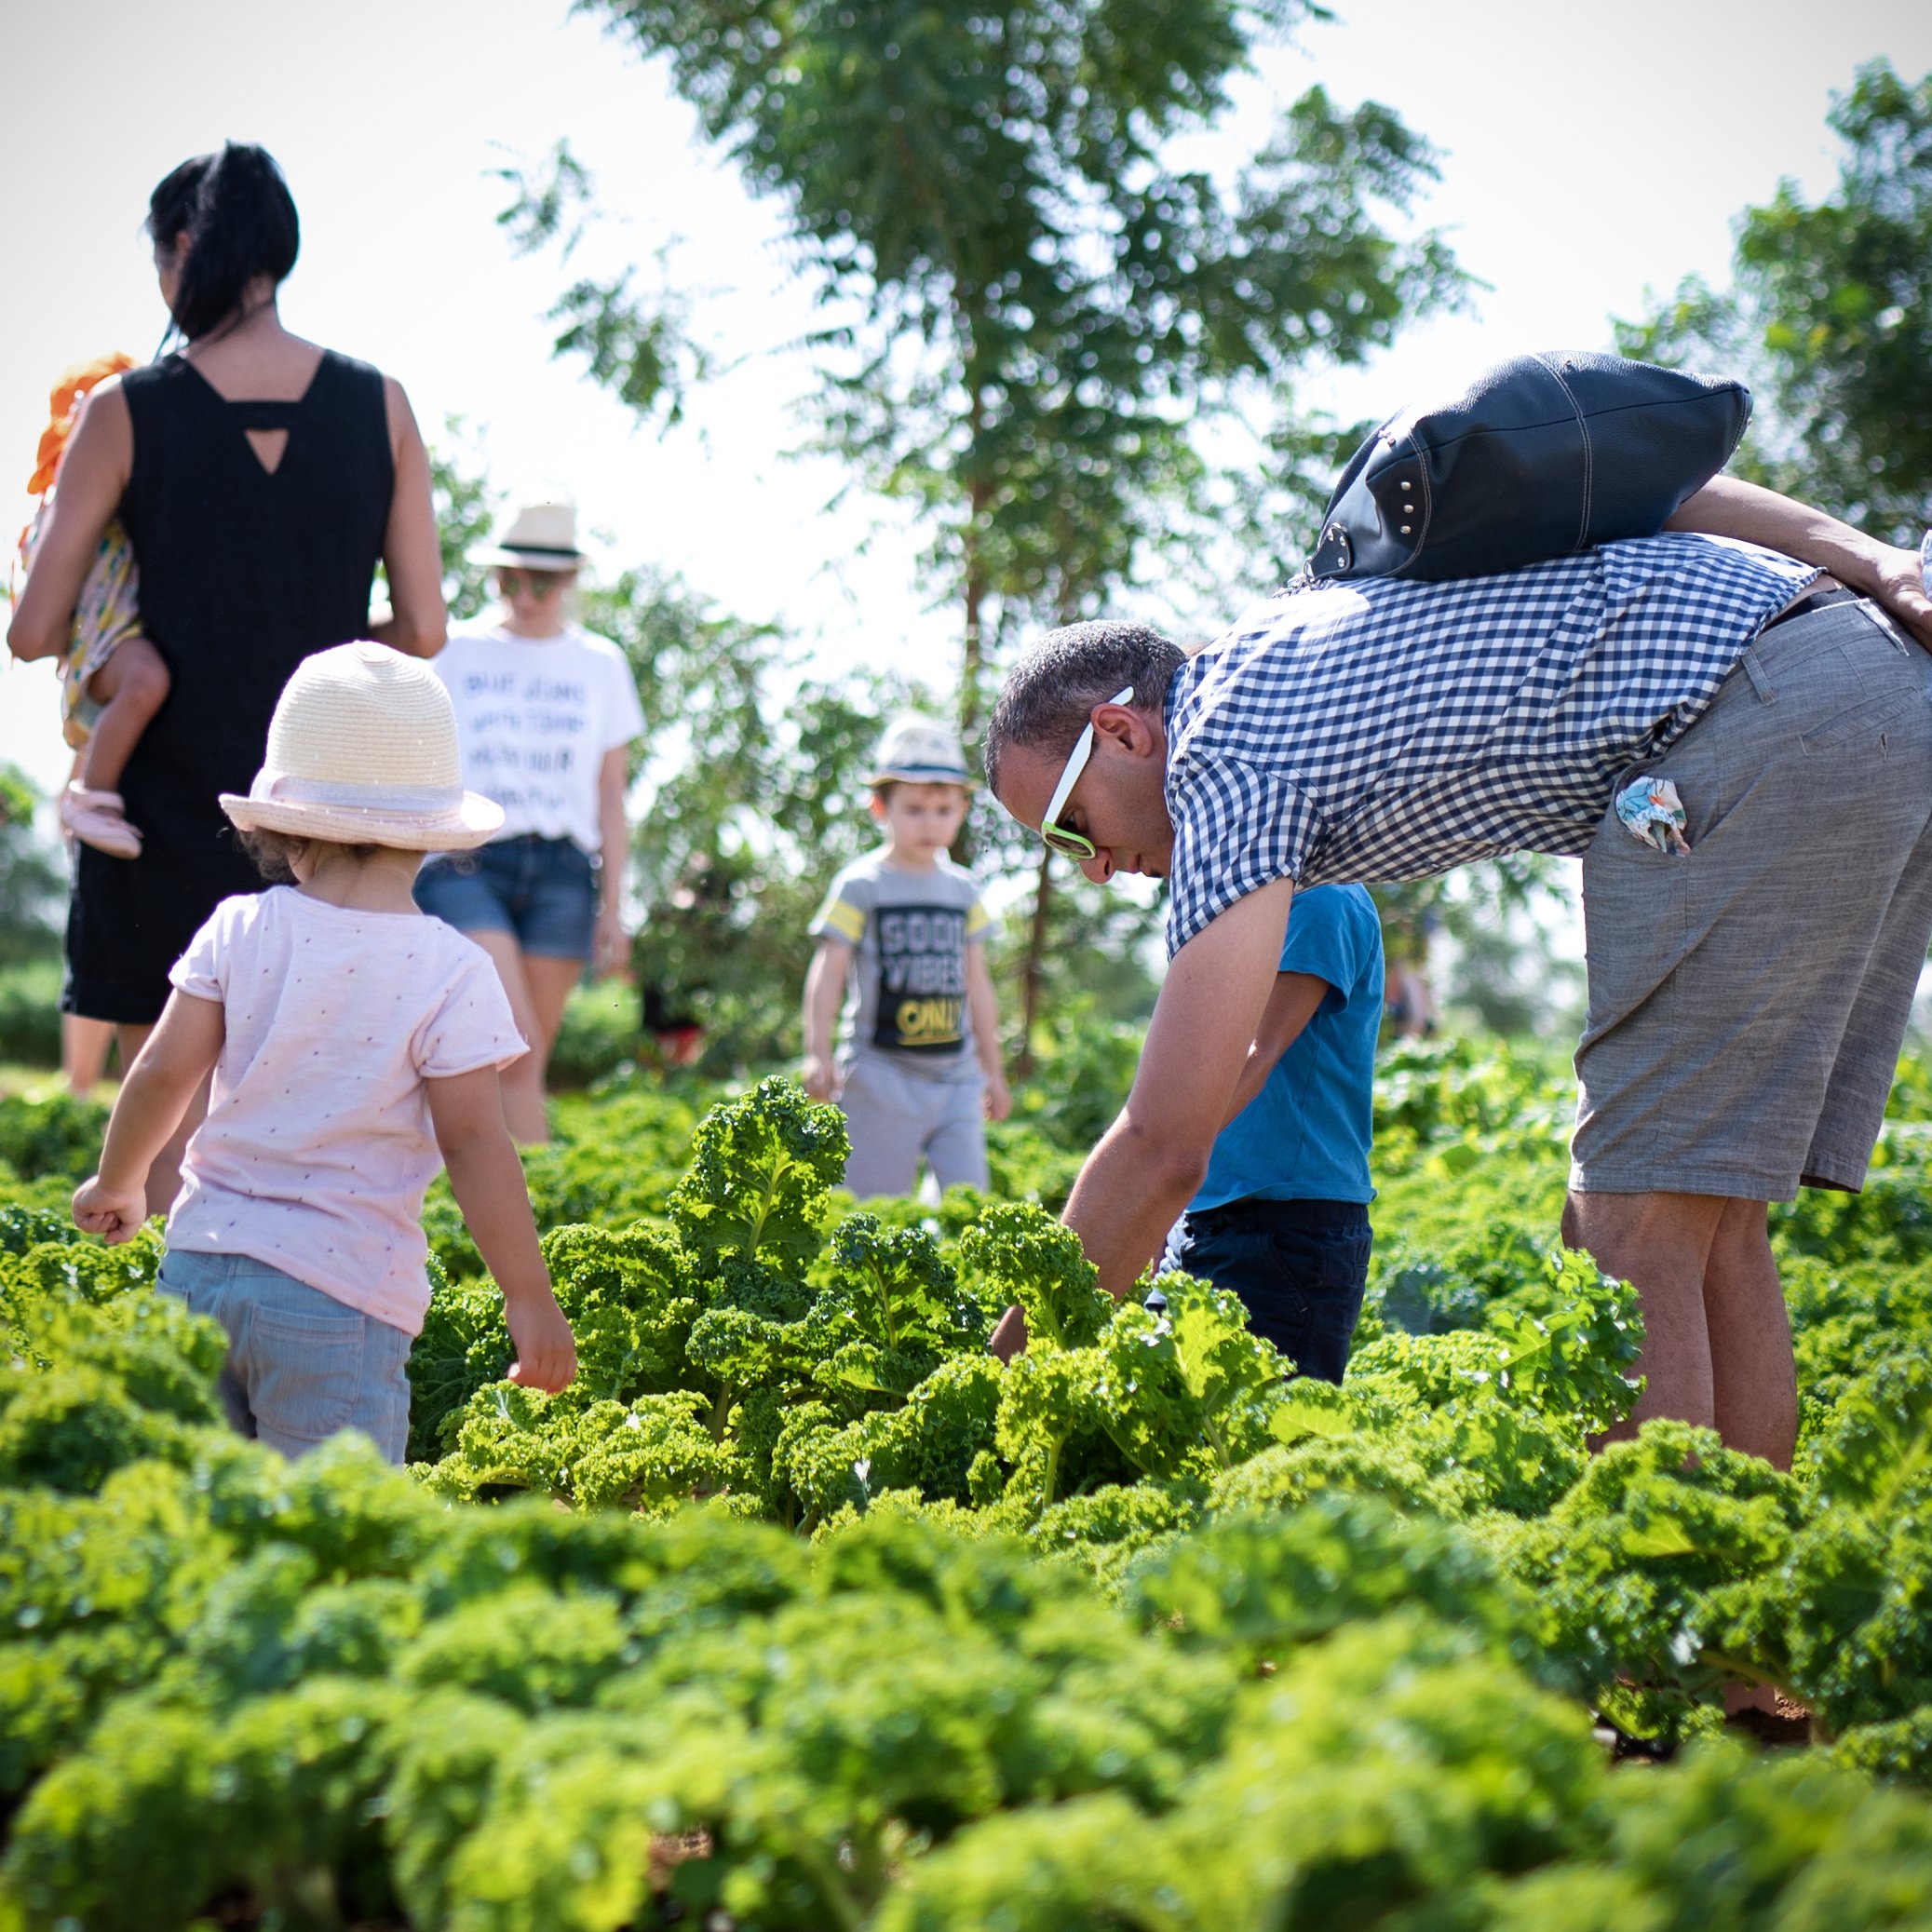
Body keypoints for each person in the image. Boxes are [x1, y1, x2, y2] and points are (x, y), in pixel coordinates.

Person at [980, 476, 1932, 1472]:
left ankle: (1667, 1559)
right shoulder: (1288, 650)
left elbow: (1163, 1143)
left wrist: (1002, 1397)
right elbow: (1640, 487)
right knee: (1710, 1214)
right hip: (1862, 679)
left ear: (1122, 732)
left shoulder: (1218, 756)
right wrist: (1871, 563)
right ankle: (1740, 1552)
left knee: (1625, 1226)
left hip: (1764, 706)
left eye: (1071, 826)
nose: (1091, 866)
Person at [7, 142, 445, 1220]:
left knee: (162, 1108)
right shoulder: (381, 405)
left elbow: (33, 629)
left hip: (161, 807)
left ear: (181, 251)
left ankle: (166, 1316)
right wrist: (306, 634)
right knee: (314, 1107)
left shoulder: (124, 409)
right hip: (322, 810)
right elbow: (423, 628)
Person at [70, 643, 577, 1464]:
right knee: (329, 1522)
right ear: (430, 838)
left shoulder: (240, 926)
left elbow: (161, 1072)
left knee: (194, 1501)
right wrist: (527, 1296)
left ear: (285, 830)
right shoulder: (451, 970)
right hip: (339, 1300)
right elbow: (475, 1141)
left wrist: (119, 1180)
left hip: (198, 1267)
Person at [416, 501, 645, 1142]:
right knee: (509, 1041)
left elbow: (611, 795)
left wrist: (614, 908)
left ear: (569, 580)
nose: (523, 595)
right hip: (464, 862)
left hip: (563, 874)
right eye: (509, 579)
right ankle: (531, 1196)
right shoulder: (454, 650)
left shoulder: (601, 663)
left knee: (522, 1065)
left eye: (541, 582)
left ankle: (490, 1191)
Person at [1165, 884, 1384, 1383]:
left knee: (1268, 1427)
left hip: (1286, 1233)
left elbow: (1254, 1056)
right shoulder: (1248, 902)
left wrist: (1147, 1178)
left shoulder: (1325, 901)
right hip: (1203, 1216)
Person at [803, 718, 1011, 1198]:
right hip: (879, 1077)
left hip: (957, 1080)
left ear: (962, 810)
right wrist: (817, 1052)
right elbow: (828, 972)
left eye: (943, 810)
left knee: (968, 1208)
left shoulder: (964, 890)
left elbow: (978, 985)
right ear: (880, 808)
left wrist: (993, 1072)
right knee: (874, 1215)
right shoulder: (860, 885)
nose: (930, 822)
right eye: (914, 810)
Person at [12, 352, 172, 860]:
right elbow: (31, 633)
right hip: (100, 653)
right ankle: (91, 801)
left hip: (113, 646)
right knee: (144, 680)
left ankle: (79, 794)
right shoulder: (62, 509)